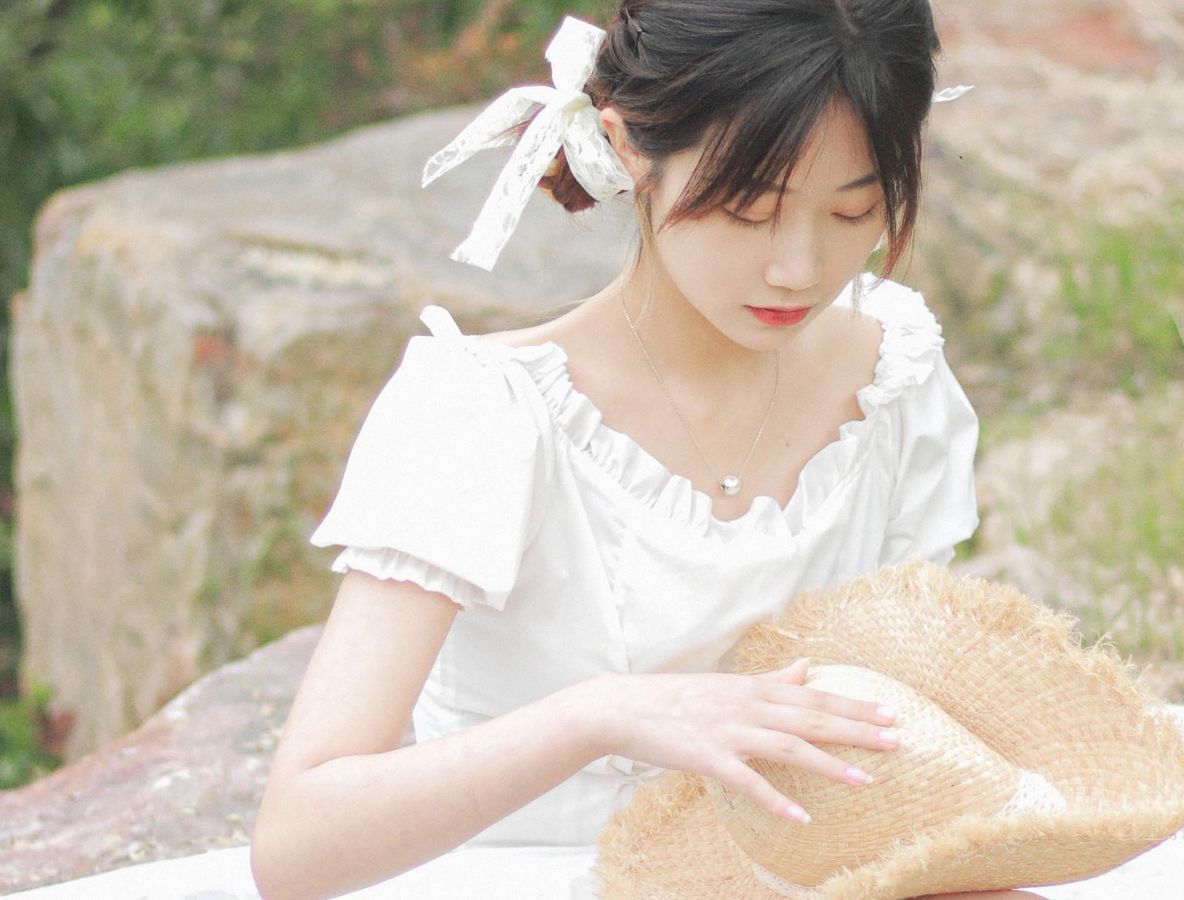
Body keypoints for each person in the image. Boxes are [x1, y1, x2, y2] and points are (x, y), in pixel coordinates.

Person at [248, 2, 1038, 897]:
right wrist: (604, 715)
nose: (800, 268)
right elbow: (297, 845)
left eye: (852, 210)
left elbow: (888, 739)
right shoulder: (489, 415)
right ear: (627, 148)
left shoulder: (891, 378)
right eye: (749, 209)